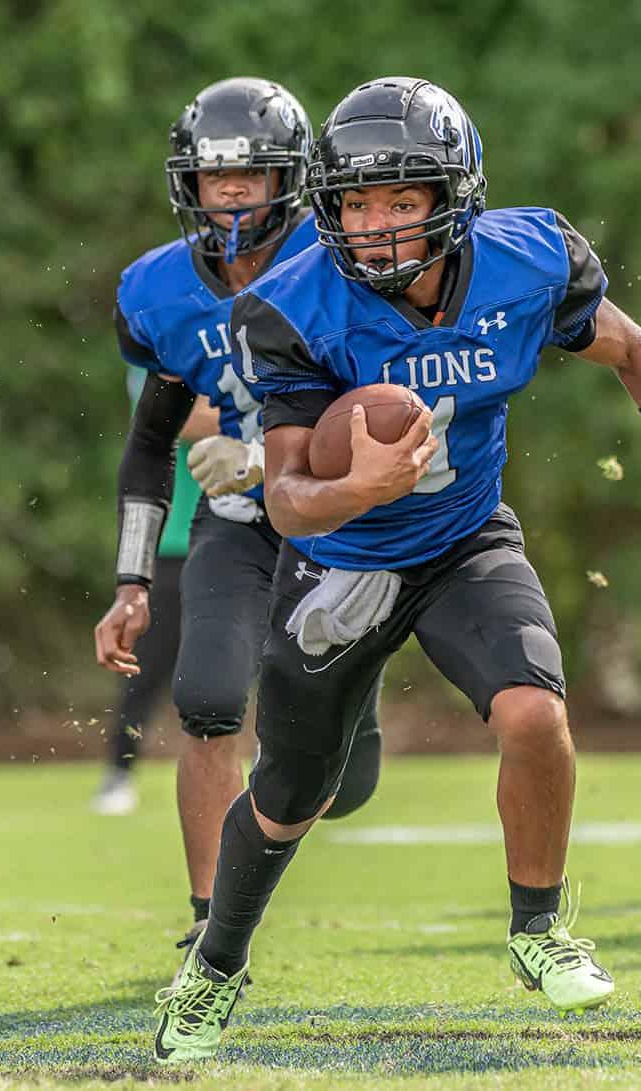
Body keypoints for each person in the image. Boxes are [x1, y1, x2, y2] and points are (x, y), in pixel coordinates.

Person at [151, 76, 641, 1064]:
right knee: (285, 794)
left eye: (402, 200)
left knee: (535, 712)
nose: (377, 225)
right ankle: (213, 969)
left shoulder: (526, 263)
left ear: (452, 199)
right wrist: (358, 485)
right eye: (355, 202)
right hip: (339, 563)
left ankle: (538, 927)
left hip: (463, 541)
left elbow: (636, 353)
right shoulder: (294, 307)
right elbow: (282, 500)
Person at [93, 77, 386, 958]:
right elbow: (147, 444)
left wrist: (264, 454)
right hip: (234, 523)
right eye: (214, 176)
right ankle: (207, 918)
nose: (228, 194)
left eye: (249, 175)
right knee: (209, 703)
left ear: (287, 180)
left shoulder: (343, 267)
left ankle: (314, 749)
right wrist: (131, 579)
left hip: (337, 524)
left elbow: (376, 410)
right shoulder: (157, 291)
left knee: (345, 780)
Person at [91, 369, 217, 817]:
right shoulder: (153, 358)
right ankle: (119, 773)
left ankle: (273, 770)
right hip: (171, 542)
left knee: (258, 665)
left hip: (243, 539)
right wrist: (258, 411)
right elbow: (183, 421)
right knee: (145, 672)